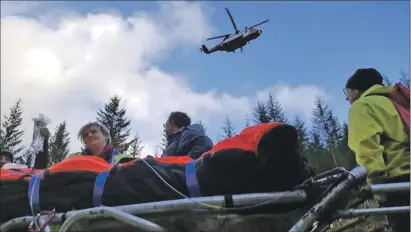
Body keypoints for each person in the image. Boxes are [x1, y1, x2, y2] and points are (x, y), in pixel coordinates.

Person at [344, 68, 410, 232]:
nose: (346, 98)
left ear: (356, 90)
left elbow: (368, 148)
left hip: (396, 180)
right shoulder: (396, 102)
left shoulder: (361, 106)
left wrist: (376, 186)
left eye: (347, 92)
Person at [67, 122, 131, 164]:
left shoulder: (122, 160)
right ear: (84, 142)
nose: (89, 135)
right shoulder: (74, 158)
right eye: (85, 135)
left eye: (94, 132)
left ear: (105, 135)